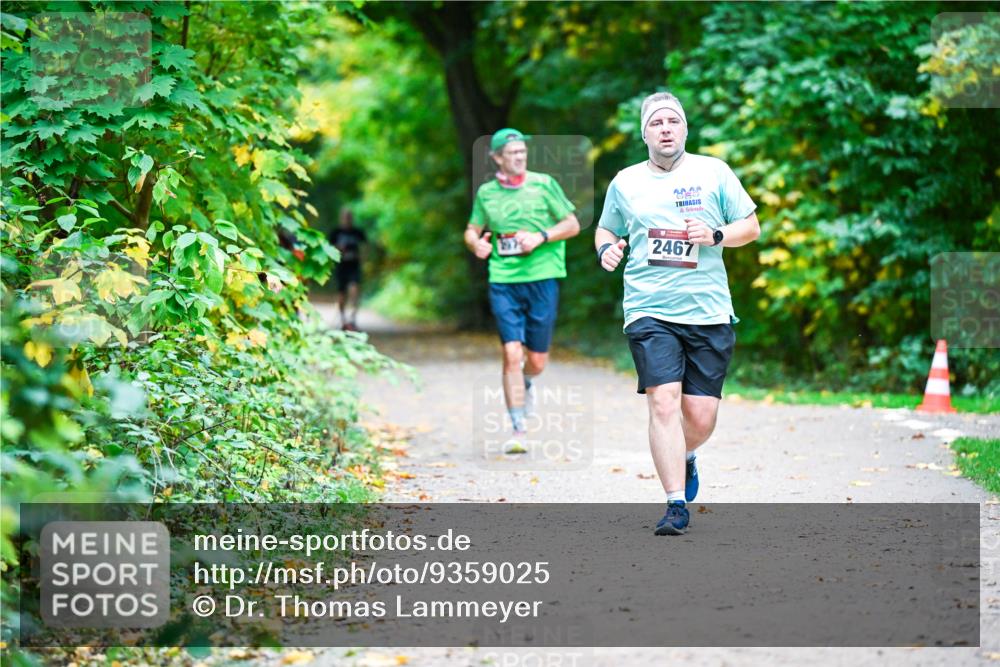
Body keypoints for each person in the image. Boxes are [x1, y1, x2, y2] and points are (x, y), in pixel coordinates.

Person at [596, 92, 760, 535]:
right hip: (649, 308)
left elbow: (751, 226)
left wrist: (716, 234)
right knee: (663, 402)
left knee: (700, 418)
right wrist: (605, 249)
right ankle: (674, 504)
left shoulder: (714, 172)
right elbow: (606, 227)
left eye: (673, 121)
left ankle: (686, 454)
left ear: (685, 129)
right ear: (644, 132)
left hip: (708, 310)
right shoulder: (625, 182)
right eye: (657, 122)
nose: (666, 128)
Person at [465, 128, 581, 453]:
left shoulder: (544, 185)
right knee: (510, 353)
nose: (519, 157)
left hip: (543, 277)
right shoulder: (487, 193)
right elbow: (472, 230)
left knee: (537, 361)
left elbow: (572, 224)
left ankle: (527, 381)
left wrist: (541, 236)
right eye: (512, 153)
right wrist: (476, 244)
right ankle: (518, 427)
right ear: (497, 158)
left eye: (522, 153)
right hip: (503, 279)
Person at [329, 208, 367, 331]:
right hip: (341, 266)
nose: (347, 219)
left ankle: (352, 319)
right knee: (342, 295)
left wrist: (362, 257)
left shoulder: (357, 232)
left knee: (354, 289)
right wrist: (338, 249)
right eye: (345, 217)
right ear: (341, 218)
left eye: (349, 217)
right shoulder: (336, 232)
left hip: (354, 266)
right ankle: (343, 320)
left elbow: (366, 245)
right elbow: (328, 248)